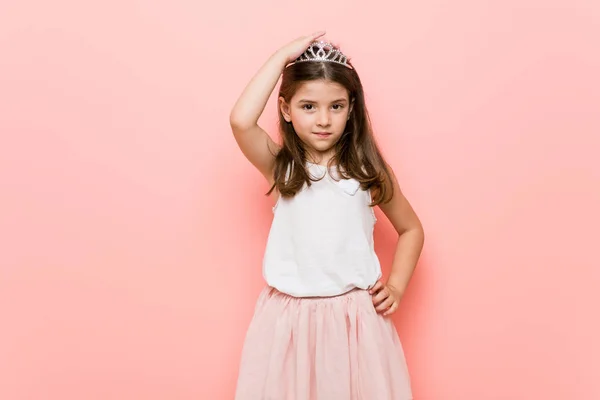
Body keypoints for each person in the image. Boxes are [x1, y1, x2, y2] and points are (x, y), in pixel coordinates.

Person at [229, 31, 424, 400]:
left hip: (354, 323)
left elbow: (411, 228)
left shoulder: (366, 172)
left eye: (336, 106)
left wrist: (396, 285)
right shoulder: (282, 167)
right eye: (308, 106)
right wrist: (283, 56)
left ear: (351, 108)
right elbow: (241, 121)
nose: (323, 119)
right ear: (286, 109)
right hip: (288, 323)